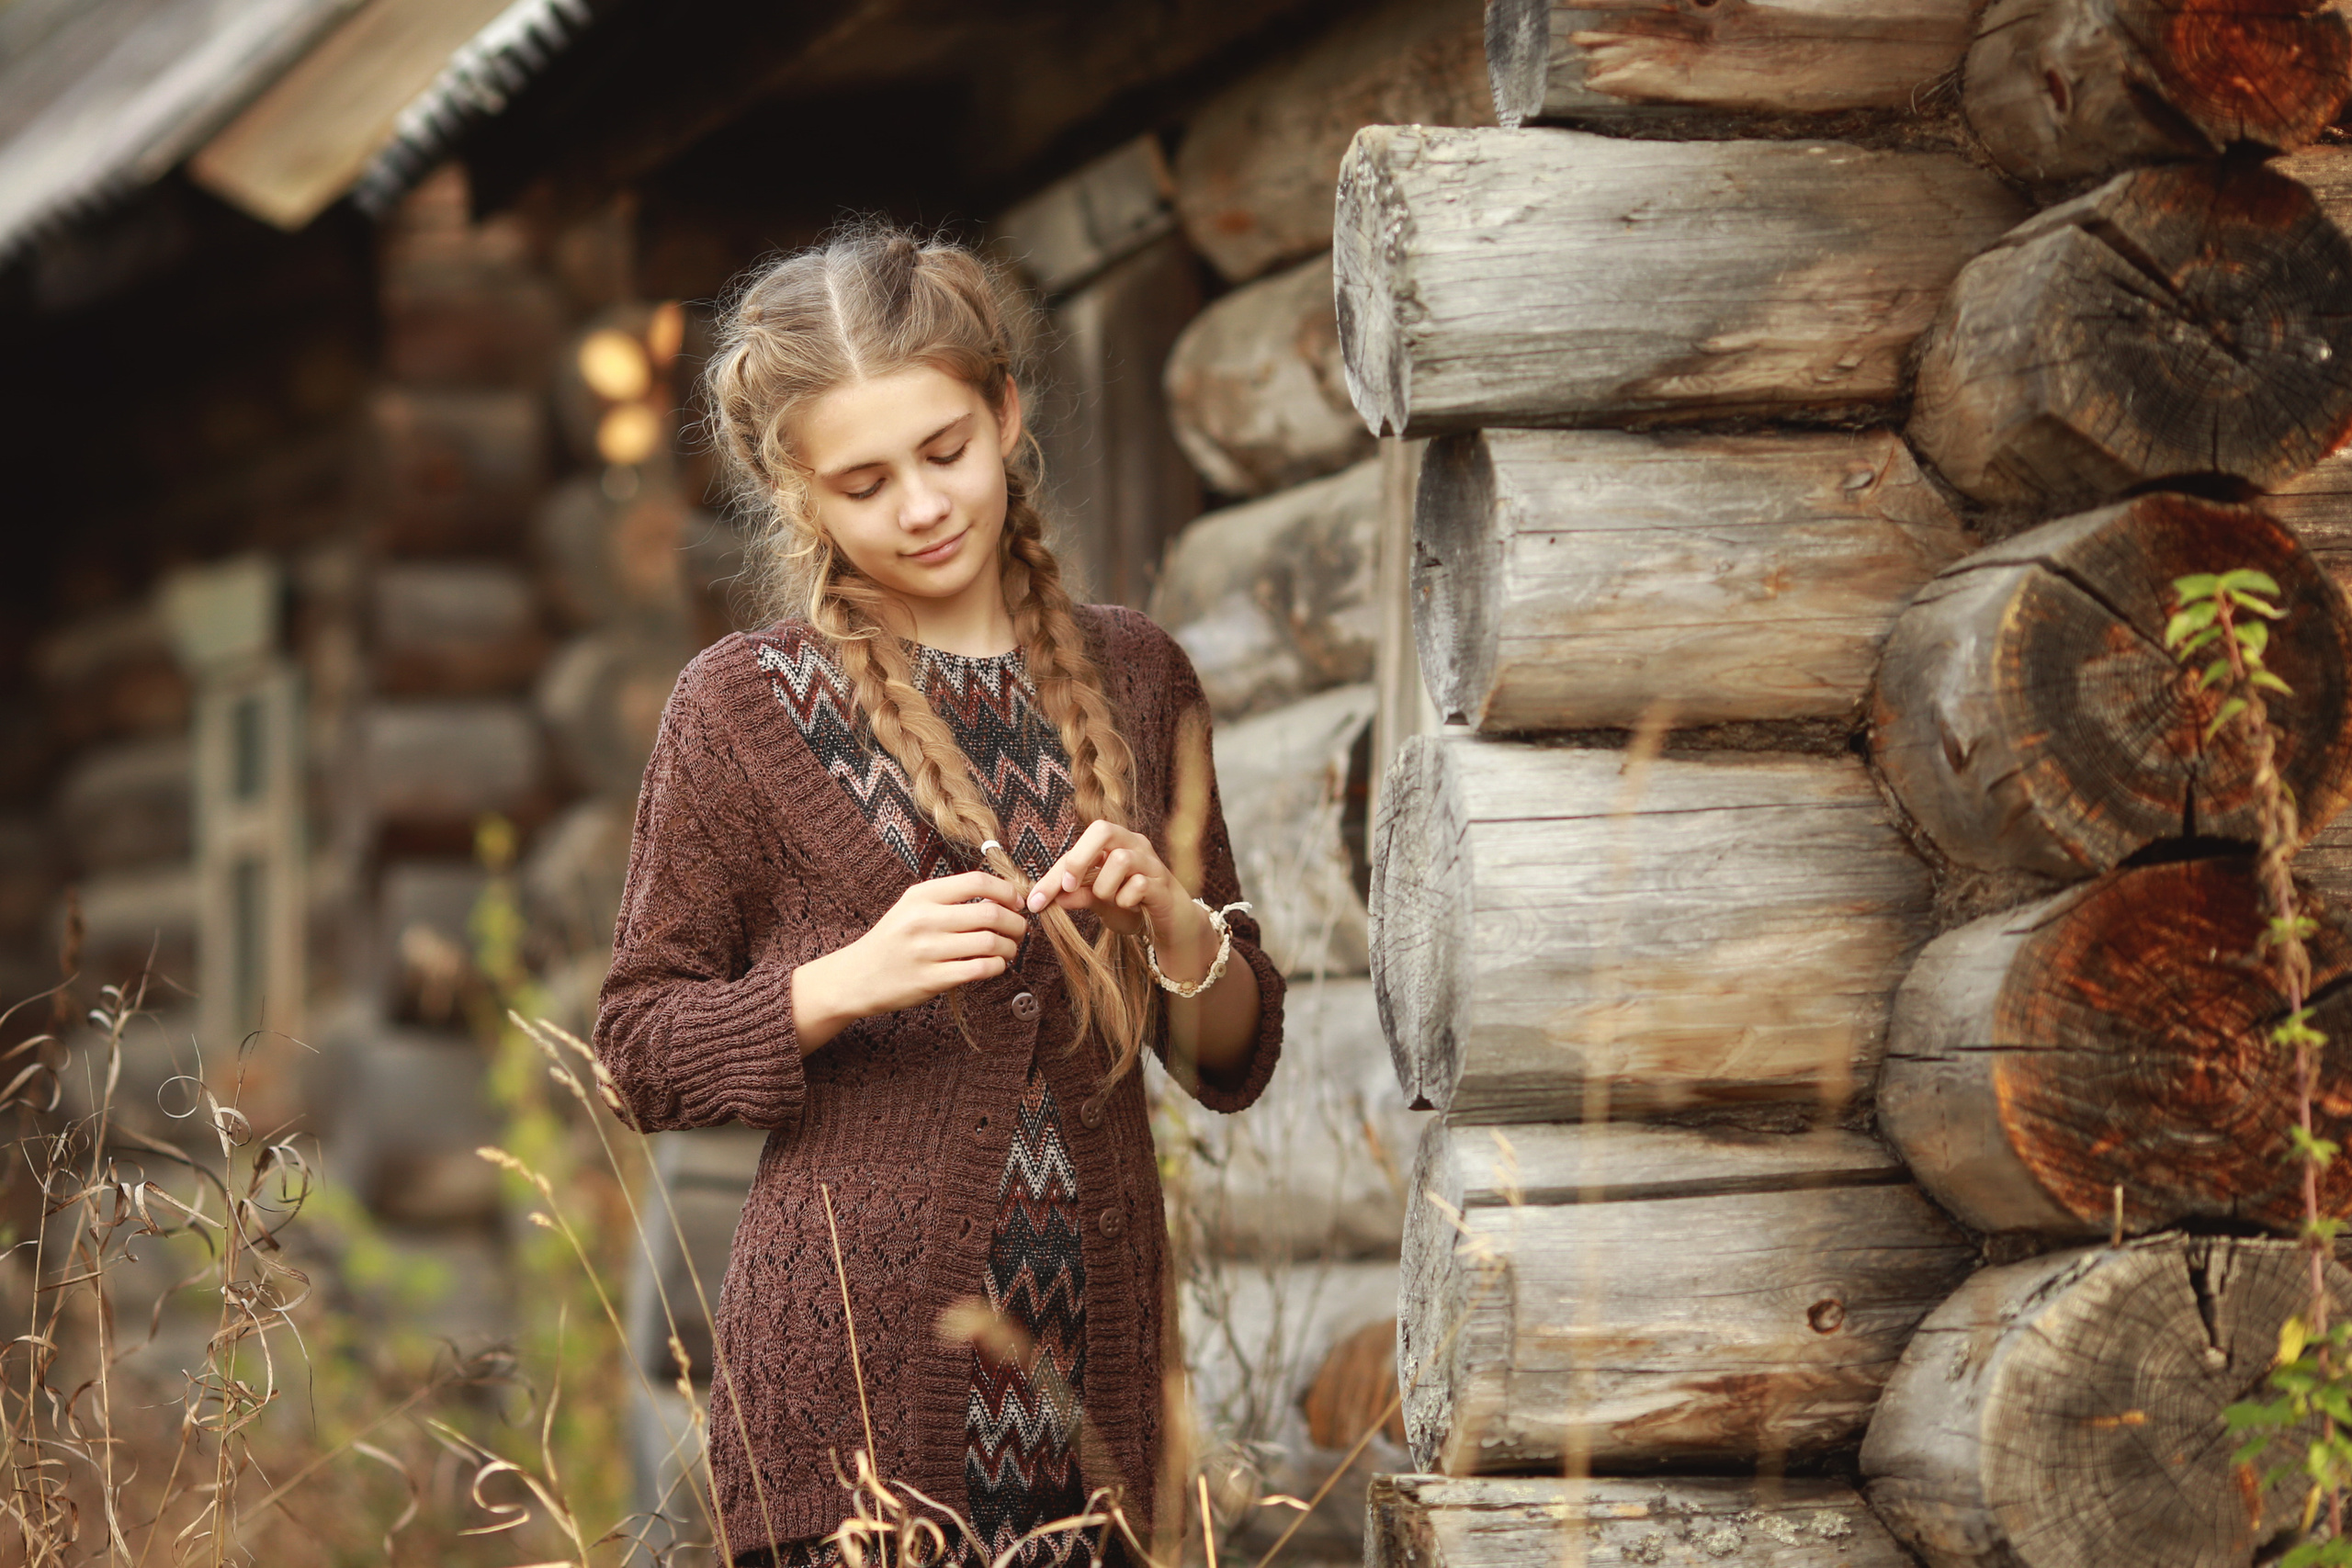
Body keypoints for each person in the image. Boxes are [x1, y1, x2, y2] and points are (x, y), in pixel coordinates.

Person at [593, 221, 1283, 1568]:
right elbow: (639, 1052)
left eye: (946, 451)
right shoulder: (742, 709)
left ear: (1006, 411)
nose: (921, 506)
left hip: (1099, 1405)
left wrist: (1174, 922)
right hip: (844, 1412)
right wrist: (843, 982)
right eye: (863, 481)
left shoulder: (1141, 680)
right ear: (796, 493)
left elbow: (1234, 1057)